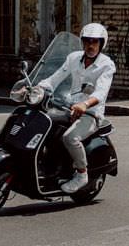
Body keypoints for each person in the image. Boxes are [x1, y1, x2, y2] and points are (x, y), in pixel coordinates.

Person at [37, 22, 116, 194]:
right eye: (87, 41)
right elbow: (55, 78)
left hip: (91, 114)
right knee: (44, 126)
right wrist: (36, 88)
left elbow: (101, 93)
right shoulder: (73, 58)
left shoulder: (106, 65)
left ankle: (82, 174)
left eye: (95, 42)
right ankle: (48, 168)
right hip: (67, 107)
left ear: (102, 43)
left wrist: (85, 104)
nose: (90, 45)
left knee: (70, 138)